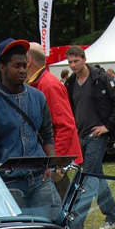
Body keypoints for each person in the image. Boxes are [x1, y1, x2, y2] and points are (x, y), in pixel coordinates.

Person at [0, 38, 60, 219]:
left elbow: (47, 135)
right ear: (2, 67)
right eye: (16, 66)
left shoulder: (38, 97)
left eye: (24, 65)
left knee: (54, 226)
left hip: (40, 180)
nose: (22, 70)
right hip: (10, 183)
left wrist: (51, 165)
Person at [64, 44, 115, 229]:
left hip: (96, 135)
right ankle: (113, 215)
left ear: (84, 59)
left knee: (88, 177)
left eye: (76, 61)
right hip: (81, 134)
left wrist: (107, 126)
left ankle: (75, 224)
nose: (73, 65)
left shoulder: (100, 78)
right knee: (97, 176)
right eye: (70, 62)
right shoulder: (70, 83)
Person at [26, 42, 83, 197]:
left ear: (29, 60)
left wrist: (55, 164)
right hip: (49, 160)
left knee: (63, 209)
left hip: (54, 162)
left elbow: (65, 125)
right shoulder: (40, 83)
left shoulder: (48, 85)